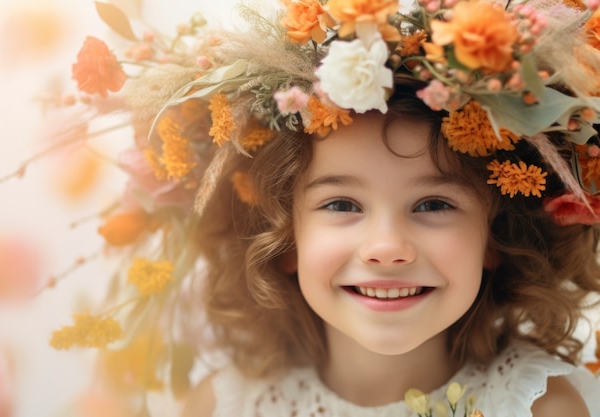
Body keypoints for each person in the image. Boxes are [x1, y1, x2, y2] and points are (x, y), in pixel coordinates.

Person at [39, 0, 600, 415]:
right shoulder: (224, 404)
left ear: (495, 241)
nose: (386, 248)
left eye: (432, 203)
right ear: (283, 240)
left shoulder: (536, 407)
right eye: (341, 203)